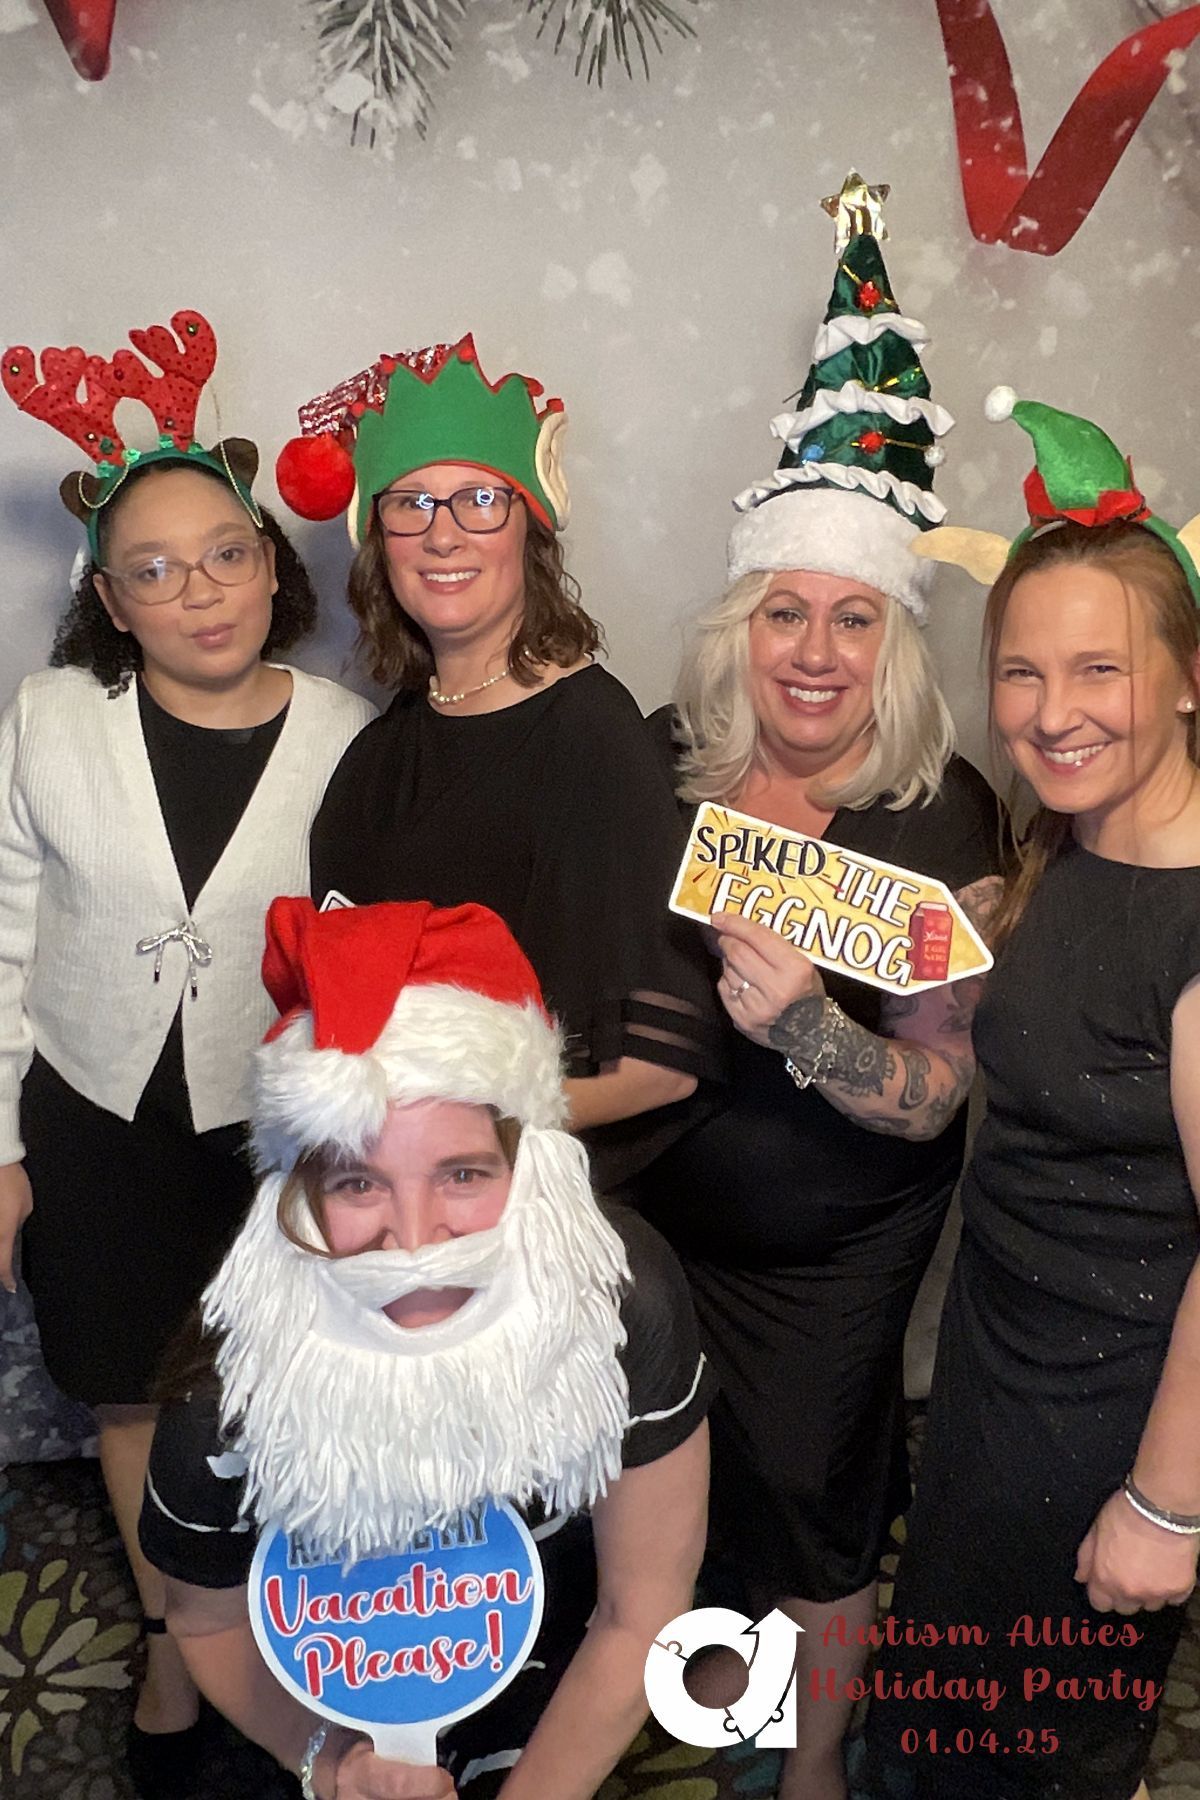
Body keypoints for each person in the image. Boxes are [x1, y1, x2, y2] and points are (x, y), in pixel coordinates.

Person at [630, 180, 1002, 1800]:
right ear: (742, 623)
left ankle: (813, 1762)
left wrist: (804, 1028)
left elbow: (938, 1095)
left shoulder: (946, 815)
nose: (818, 647)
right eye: (788, 607)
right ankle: (729, 1722)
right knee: (677, 1498)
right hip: (660, 1220)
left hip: (841, 1253)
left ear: (895, 646)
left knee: (814, 1497)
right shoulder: (665, 766)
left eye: (857, 616)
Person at [0, 311, 374, 1796]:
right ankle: (175, 1635)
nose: (198, 590)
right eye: (153, 569)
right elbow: (5, 934)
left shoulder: (352, 736)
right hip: (91, 1118)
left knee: (270, 1391)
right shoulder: (46, 722)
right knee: (128, 1393)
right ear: (111, 597)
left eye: (226, 552)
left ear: (275, 564)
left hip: (264, 1130)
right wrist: (5, 1152)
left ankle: (270, 1636)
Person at [138, 895, 712, 1800]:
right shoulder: (225, 1399)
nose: (415, 1240)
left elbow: (639, 1612)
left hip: (566, 1683)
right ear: (297, 1193)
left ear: (531, 1168)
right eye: (361, 1180)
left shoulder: (620, 1304)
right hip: (322, 1707)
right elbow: (204, 1625)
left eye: (463, 1174)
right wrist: (329, 1766)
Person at [857, 392, 1200, 1800]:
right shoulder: (1063, 848)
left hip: (1112, 1417)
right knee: (952, 1716)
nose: (1053, 715)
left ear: (1188, 677)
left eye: (1100, 672)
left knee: (1037, 1752)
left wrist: (1166, 1507)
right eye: (1020, 673)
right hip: (1002, 1370)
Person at [275, 334, 722, 1195]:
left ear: (530, 527)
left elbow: (660, 1068)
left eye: (480, 499)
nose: (443, 535)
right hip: (379, 1198)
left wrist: (439, 1137)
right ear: (378, 540)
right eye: (411, 504)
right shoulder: (383, 746)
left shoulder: (590, 734)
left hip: (519, 1218)